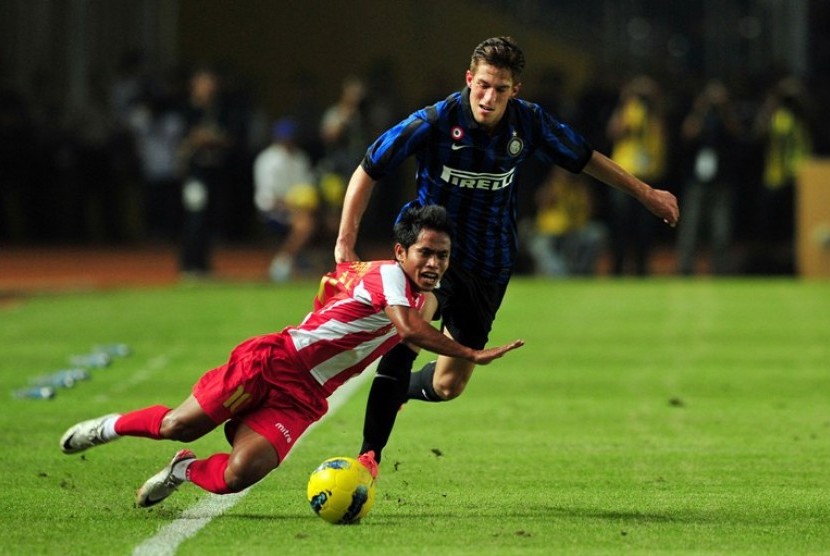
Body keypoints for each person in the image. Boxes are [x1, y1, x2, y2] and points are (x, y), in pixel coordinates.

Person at [334, 37, 678, 464]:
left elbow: (586, 157)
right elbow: (368, 169)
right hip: (432, 251)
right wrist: (345, 241)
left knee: (447, 386)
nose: (488, 97)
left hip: (489, 263)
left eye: (499, 88)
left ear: (515, 89)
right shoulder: (435, 121)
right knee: (410, 332)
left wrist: (645, 194)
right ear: (469, 78)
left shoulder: (529, 123)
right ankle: (368, 459)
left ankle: (403, 389)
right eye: (482, 85)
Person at [58, 205, 524, 508]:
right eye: (426, 253)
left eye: (443, 256)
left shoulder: (423, 297)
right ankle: (107, 426)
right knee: (176, 425)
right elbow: (408, 329)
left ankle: (184, 469)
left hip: (304, 399)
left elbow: (390, 309)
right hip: (272, 362)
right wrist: (468, 352)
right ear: (402, 251)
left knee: (239, 475)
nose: (435, 265)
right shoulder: (390, 280)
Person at [675, 80, 741, 275]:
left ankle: (720, 270)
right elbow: (688, 133)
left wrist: (725, 109)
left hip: (722, 181)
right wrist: (700, 108)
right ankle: (685, 269)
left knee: (721, 230)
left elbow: (736, 132)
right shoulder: (700, 115)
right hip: (696, 181)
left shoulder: (726, 116)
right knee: (690, 228)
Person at [605, 75, 669, 276]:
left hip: (648, 177)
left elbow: (663, 136)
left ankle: (642, 269)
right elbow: (614, 131)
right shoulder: (629, 109)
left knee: (645, 227)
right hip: (625, 175)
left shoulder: (655, 114)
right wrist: (626, 100)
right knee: (622, 225)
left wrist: (655, 101)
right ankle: (618, 268)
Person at [253, 118, 319, 282]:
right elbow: (267, 197)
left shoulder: (300, 158)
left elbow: (306, 187)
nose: (288, 140)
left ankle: (304, 262)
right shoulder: (267, 159)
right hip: (272, 209)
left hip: (297, 207)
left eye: (290, 137)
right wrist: (294, 206)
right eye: (284, 137)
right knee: (304, 224)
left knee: (329, 221)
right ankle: (281, 263)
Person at [524, 166, 607, 277]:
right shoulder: (553, 186)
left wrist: (580, 187)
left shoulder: (580, 189)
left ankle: (580, 273)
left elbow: (591, 209)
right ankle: (560, 276)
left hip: (575, 231)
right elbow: (541, 202)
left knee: (596, 233)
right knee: (540, 245)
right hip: (549, 232)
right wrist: (558, 184)